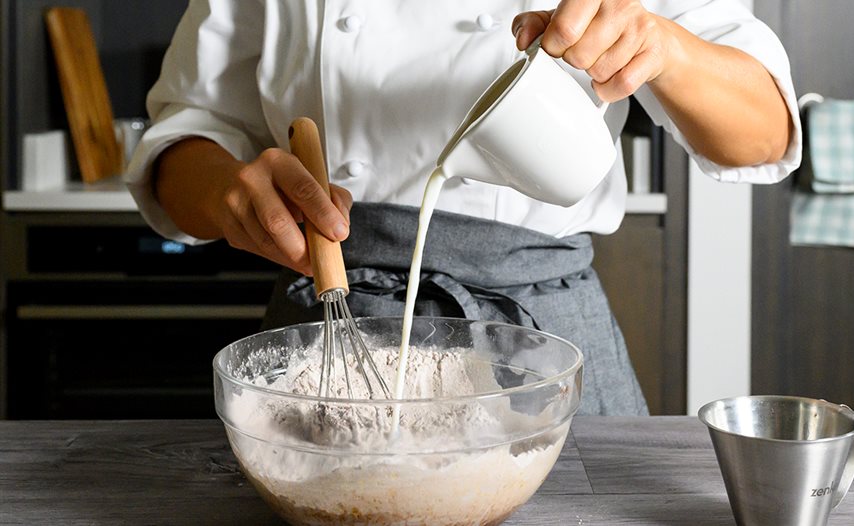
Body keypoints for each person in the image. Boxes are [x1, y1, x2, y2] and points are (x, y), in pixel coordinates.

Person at [125, 0, 801, 416]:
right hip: (335, 333)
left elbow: (766, 130)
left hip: (543, 339)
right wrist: (224, 191)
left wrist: (667, 49)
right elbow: (185, 133)